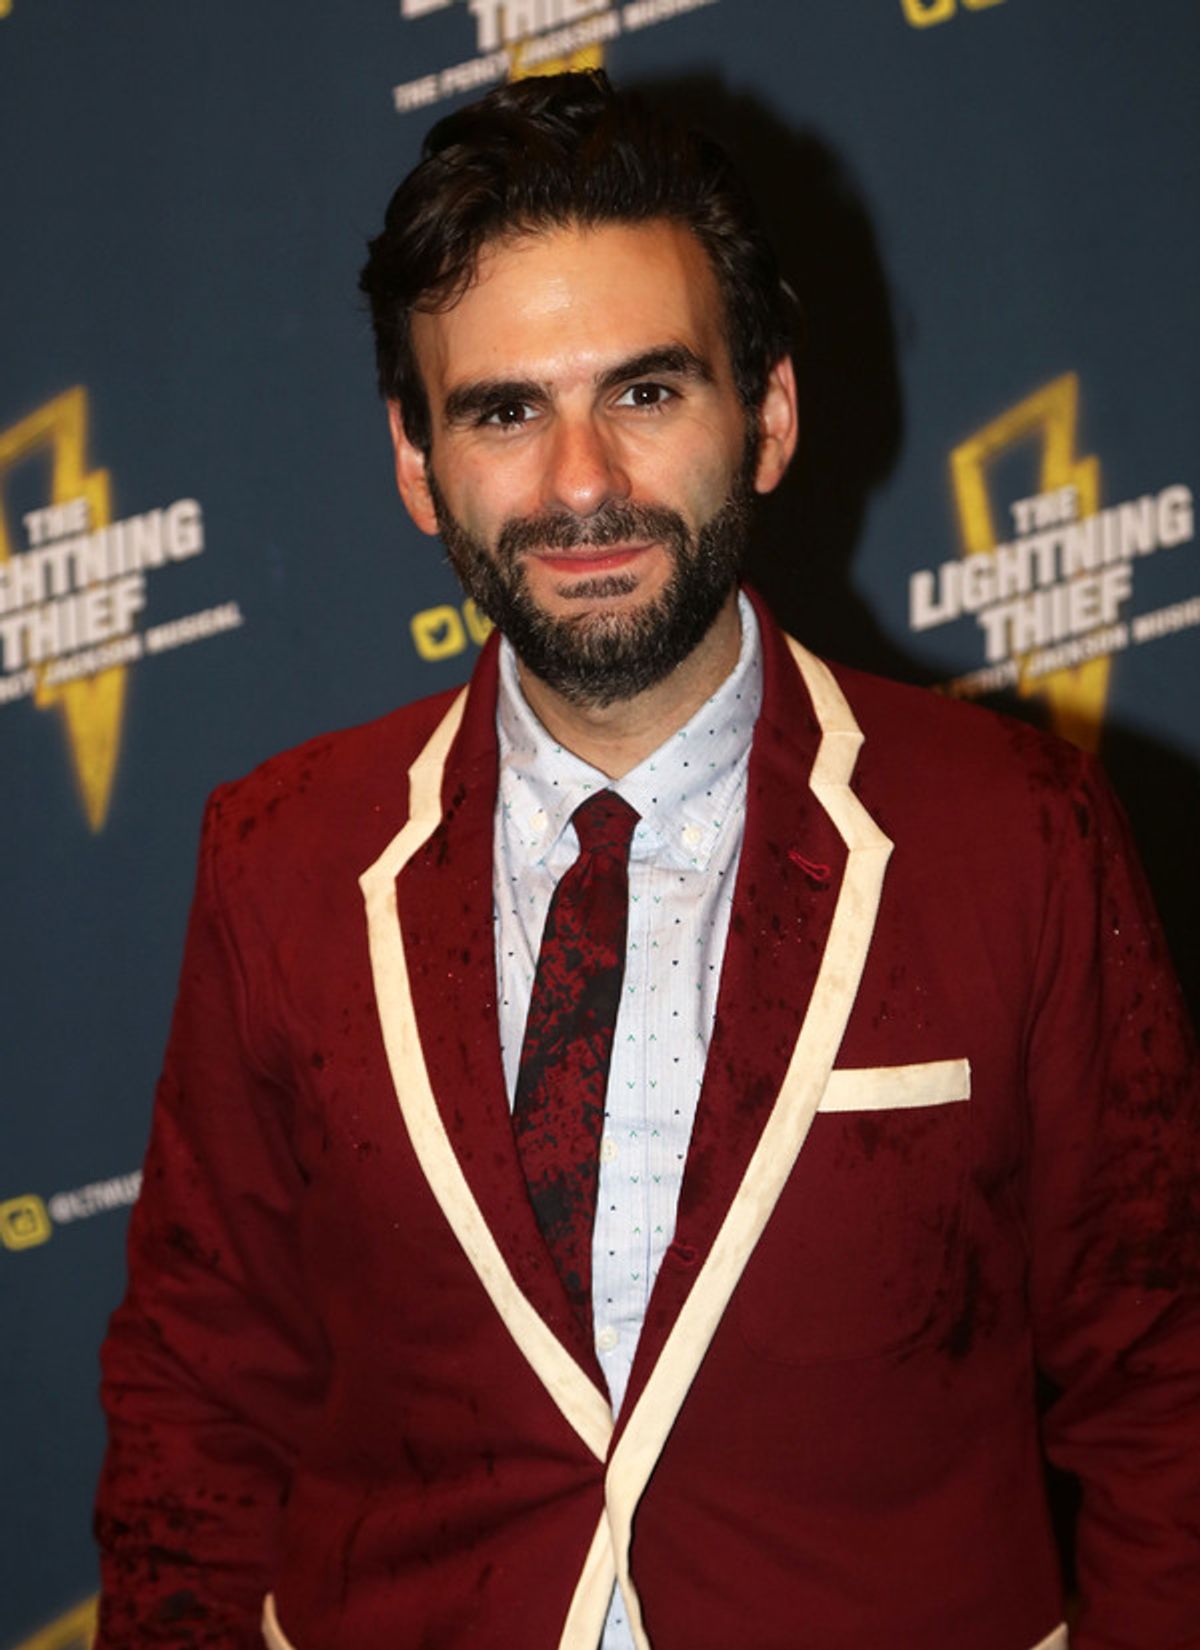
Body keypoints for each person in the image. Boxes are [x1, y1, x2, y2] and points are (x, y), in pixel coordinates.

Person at [95, 70, 1199, 1650]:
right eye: (502, 410)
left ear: (770, 414)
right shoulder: (279, 854)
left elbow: (1165, 1383)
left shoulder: (1020, 831)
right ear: (416, 466)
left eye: (646, 390)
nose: (581, 483)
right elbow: (199, 1392)